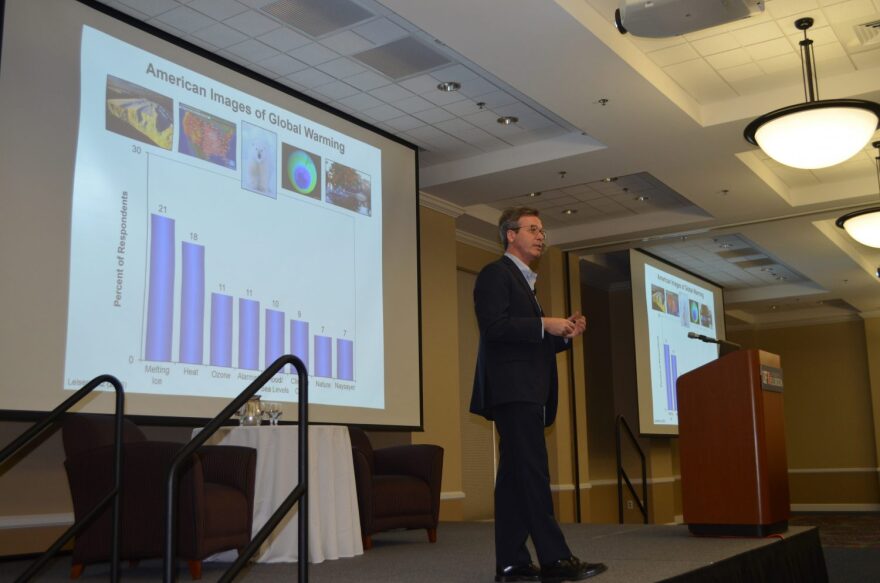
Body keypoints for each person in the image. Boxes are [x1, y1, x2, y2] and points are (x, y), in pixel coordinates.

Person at [470, 207, 607, 582]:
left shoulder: (525, 283)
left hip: (528, 390)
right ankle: (555, 560)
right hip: (514, 392)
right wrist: (544, 323)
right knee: (532, 474)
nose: (541, 236)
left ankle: (512, 563)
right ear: (510, 235)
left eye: (542, 230)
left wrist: (562, 334)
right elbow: (494, 328)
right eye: (533, 229)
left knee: (516, 478)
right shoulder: (495, 275)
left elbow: (527, 340)